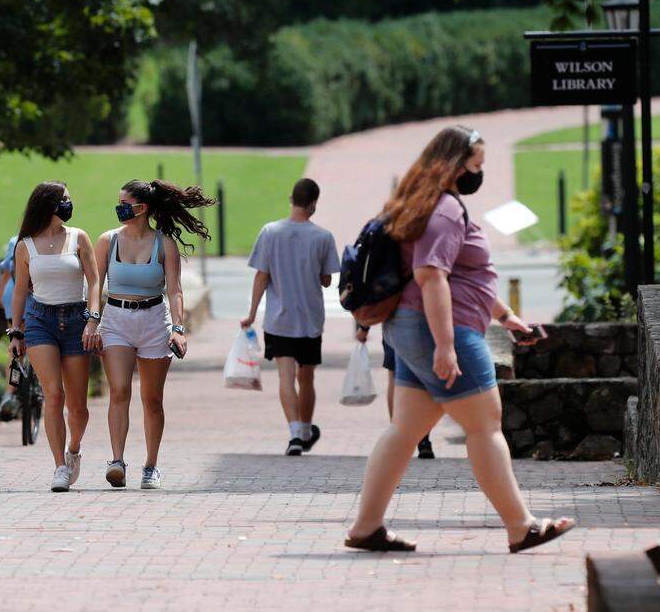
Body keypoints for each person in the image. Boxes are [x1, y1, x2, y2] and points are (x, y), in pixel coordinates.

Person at [345, 126, 575, 553]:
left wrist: (505, 316)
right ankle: (520, 526)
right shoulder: (446, 209)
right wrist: (446, 346)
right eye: (476, 165)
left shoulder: (418, 204)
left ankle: (366, 526)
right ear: (454, 164)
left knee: (404, 430)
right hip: (439, 331)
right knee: (485, 425)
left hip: (410, 329)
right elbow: (432, 277)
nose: (478, 173)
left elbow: (468, 277)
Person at [89, 179, 215, 490]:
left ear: (142, 208)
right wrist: (92, 320)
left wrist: (178, 328)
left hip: (153, 320)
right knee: (118, 391)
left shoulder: (164, 244)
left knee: (152, 399)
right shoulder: (107, 240)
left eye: (124, 203)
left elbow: (175, 290)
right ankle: (116, 461)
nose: (119, 208)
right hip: (116, 318)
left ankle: (151, 465)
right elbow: (94, 284)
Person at [8, 182, 98, 492]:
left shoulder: (79, 238)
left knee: (78, 406)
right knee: (53, 395)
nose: (69, 205)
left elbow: (95, 281)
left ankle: (74, 449)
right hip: (40, 320)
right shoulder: (26, 246)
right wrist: (15, 331)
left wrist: (93, 319)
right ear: (48, 205)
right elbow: (20, 291)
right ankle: (60, 466)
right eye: (64, 200)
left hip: (76, 319)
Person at [240, 178, 339, 456]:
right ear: (314, 204)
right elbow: (327, 280)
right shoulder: (323, 237)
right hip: (309, 319)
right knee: (306, 378)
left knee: (285, 375)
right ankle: (307, 429)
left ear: (291, 199)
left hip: (278, 318)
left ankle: (295, 433)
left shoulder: (270, 232)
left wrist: (251, 313)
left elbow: (262, 275)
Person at [355, 325, 434, 459]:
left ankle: (397, 438)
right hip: (424, 324)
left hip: (395, 324)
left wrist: (364, 327)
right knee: (423, 376)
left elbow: (378, 302)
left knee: (395, 375)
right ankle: (423, 440)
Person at [0, 235, 20, 421]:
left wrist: (0, 297)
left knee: (16, 350)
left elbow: (6, 272)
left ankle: (9, 394)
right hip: (39, 297)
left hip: (13, 297)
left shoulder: (15, 240)